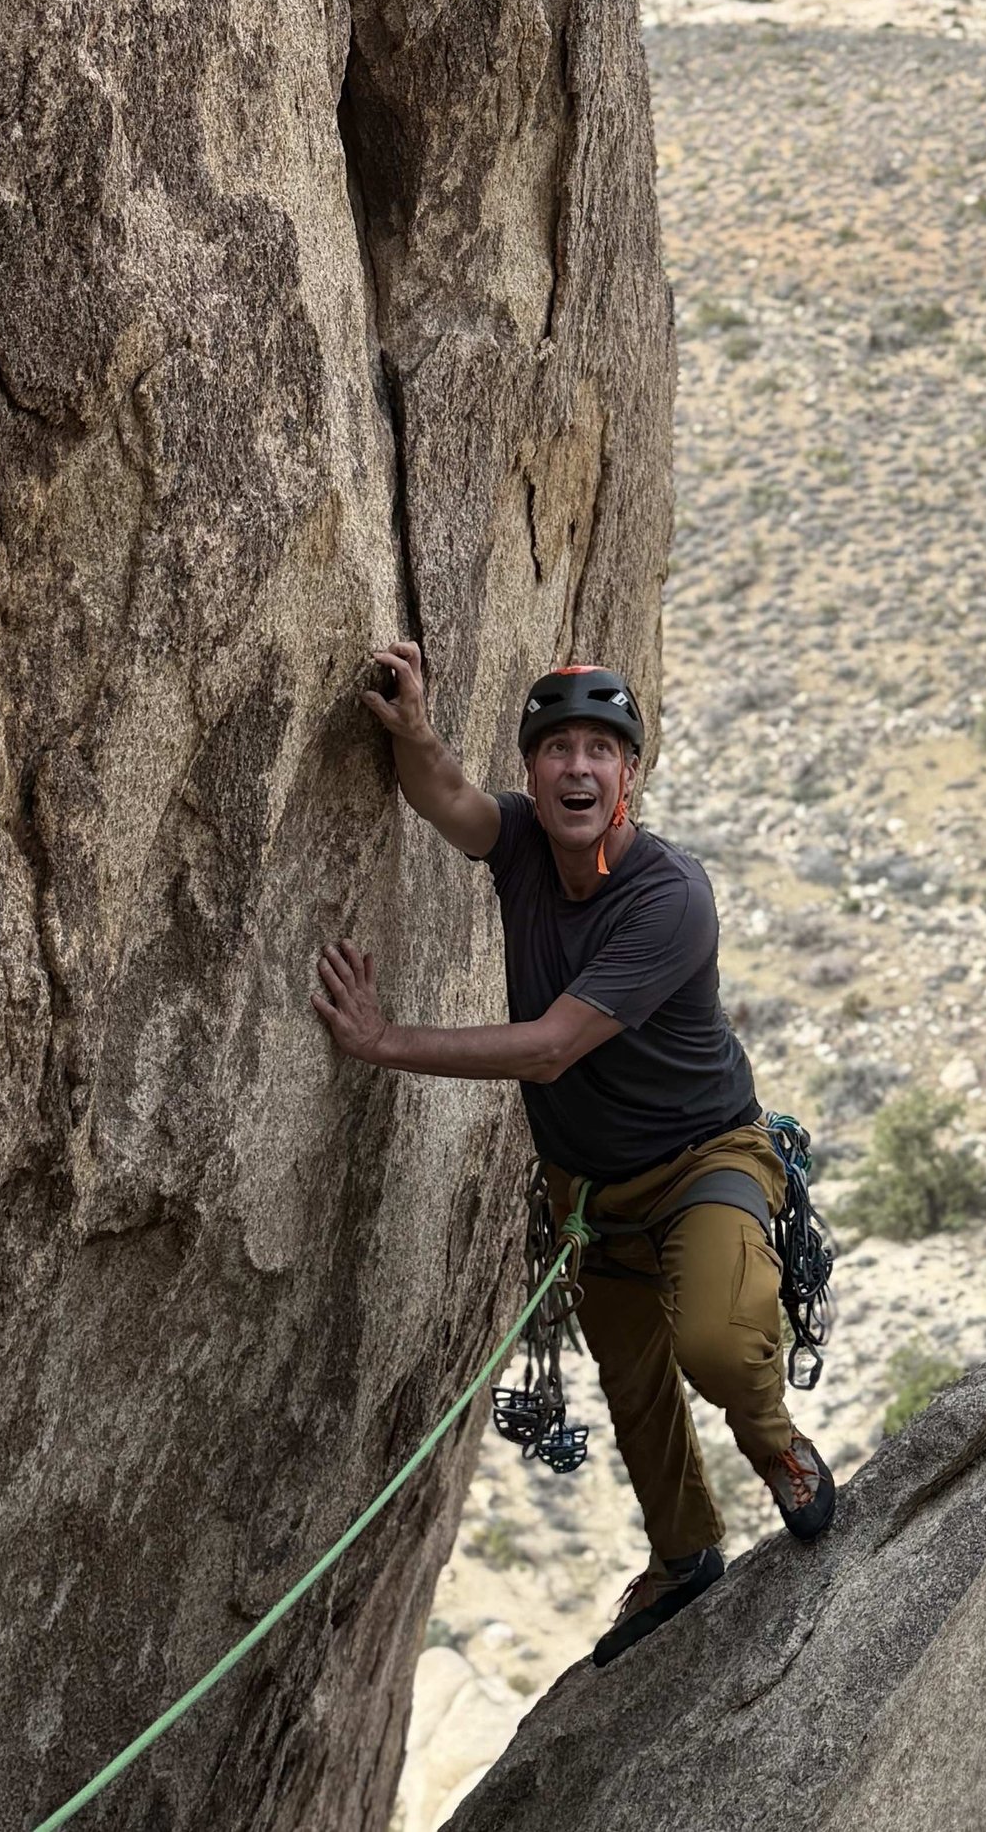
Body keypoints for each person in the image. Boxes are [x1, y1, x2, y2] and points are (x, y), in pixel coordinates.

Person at [312, 639, 834, 1663]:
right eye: (557, 749)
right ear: (535, 771)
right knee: (635, 1387)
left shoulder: (668, 898)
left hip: (704, 1161)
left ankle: (775, 1445)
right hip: (589, 1189)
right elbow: (448, 796)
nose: (579, 768)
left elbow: (552, 1049)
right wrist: (413, 728)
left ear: (628, 774)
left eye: (601, 748)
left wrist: (384, 1042)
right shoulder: (517, 844)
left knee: (720, 1348)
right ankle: (685, 1556)